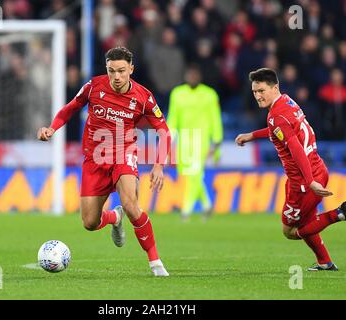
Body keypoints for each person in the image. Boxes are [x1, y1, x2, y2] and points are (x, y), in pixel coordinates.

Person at [37, 47, 170, 276]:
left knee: (131, 204)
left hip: (123, 153)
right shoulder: (93, 87)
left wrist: (158, 166)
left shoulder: (143, 96)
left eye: (121, 71)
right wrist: (52, 128)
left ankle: (155, 263)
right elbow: (69, 110)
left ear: (131, 69)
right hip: (94, 159)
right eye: (111, 71)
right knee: (89, 222)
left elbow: (163, 131)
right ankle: (114, 217)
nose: (116, 77)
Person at [235, 68, 346, 271]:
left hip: (304, 181)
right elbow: (283, 131)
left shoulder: (276, 116)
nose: (258, 96)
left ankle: (340, 213)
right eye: (254, 92)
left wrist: (309, 181)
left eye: (261, 90)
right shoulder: (288, 102)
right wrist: (252, 135)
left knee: (289, 231)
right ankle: (325, 262)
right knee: (307, 221)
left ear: (275, 87)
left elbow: (296, 148)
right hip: (318, 168)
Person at [167, 64, 223, 220]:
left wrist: (217, 141)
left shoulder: (209, 94)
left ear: (199, 77)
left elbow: (215, 118)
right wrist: (169, 139)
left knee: (195, 173)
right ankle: (206, 205)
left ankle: (186, 210)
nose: (192, 78)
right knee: (191, 175)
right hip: (184, 139)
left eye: (194, 75)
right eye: (189, 75)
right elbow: (173, 118)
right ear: (186, 77)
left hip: (202, 139)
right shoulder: (177, 94)